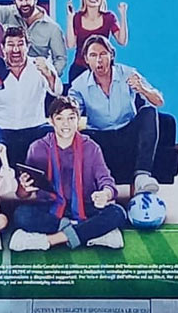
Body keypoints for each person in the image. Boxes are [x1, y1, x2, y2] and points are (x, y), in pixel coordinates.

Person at [9, 96, 128, 252]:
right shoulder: (37, 148)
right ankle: (88, 232)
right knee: (21, 215)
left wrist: (105, 194)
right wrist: (24, 187)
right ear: (51, 121)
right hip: (51, 208)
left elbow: (106, 181)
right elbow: (22, 194)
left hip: (85, 206)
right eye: (60, 118)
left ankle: (52, 239)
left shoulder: (91, 147)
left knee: (118, 213)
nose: (66, 124)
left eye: (71, 118)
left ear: (78, 120)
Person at [68, 36, 163, 193]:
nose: (99, 60)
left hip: (127, 132)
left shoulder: (128, 73)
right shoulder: (79, 84)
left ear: (111, 55)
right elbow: (73, 108)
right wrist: (73, 110)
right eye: (93, 55)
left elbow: (158, 101)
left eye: (103, 54)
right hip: (99, 136)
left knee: (149, 111)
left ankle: (142, 176)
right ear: (86, 59)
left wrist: (143, 89)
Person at [0, 25, 61, 165]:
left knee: (51, 132)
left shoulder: (40, 64)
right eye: (10, 44)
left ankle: (48, 183)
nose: (16, 49)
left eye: (20, 44)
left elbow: (57, 91)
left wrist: (47, 73)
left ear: (27, 46)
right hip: (3, 130)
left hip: (35, 128)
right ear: (3, 48)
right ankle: (1, 181)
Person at [65, 0, 128, 81]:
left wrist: (123, 14)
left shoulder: (109, 17)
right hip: (80, 69)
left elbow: (122, 41)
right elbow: (70, 44)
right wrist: (70, 18)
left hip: (103, 69)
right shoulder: (77, 17)